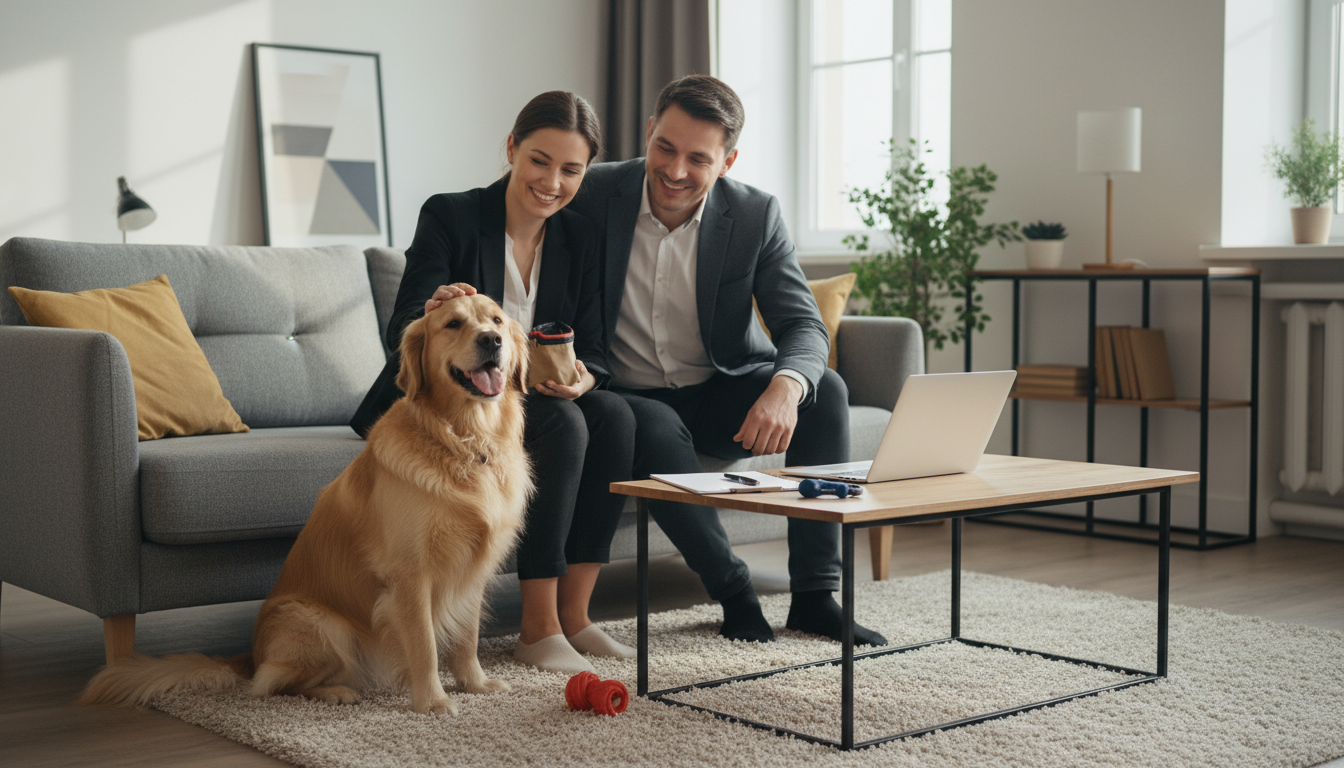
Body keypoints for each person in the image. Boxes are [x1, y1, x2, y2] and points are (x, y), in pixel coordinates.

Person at [568, 75, 887, 646]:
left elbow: (802, 323)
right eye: (665, 147)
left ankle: (815, 596)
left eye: (698, 158)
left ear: (727, 161)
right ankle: (735, 591)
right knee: (652, 425)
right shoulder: (592, 192)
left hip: (720, 388)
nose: (675, 171)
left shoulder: (754, 214)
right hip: (626, 394)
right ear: (649, 131)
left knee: (827, 392)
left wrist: (786, 387)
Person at [351, 91, 636, 675]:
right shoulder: (452, 214)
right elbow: (404, 324)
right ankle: (539, 627)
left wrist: (585, 376)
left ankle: (576, 615)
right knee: (562, 424)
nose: (551, 182)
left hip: (530, 393)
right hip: (451, 403)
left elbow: (597, 347)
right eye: (539, 160)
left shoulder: (582, 236)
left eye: (570, 170)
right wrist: (433, 305)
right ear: (511, 148)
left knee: (615, 416)